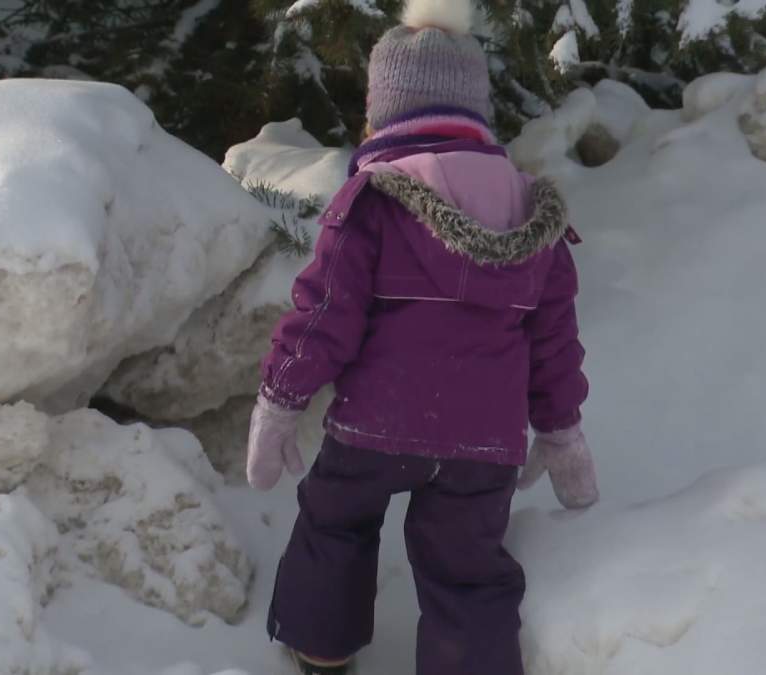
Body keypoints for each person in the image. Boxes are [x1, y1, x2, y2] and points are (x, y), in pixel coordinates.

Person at [245, 0, 597, 673]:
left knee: (334, 520)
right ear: (474, 111)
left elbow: (323, 315)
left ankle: (322, 645)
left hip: (376, 424)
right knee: (468, 568)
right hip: (483, 444)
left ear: (385, 111)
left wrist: (281, 398)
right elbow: (554, 339)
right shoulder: (532, 210)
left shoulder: (372, 201)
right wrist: (561, 431)